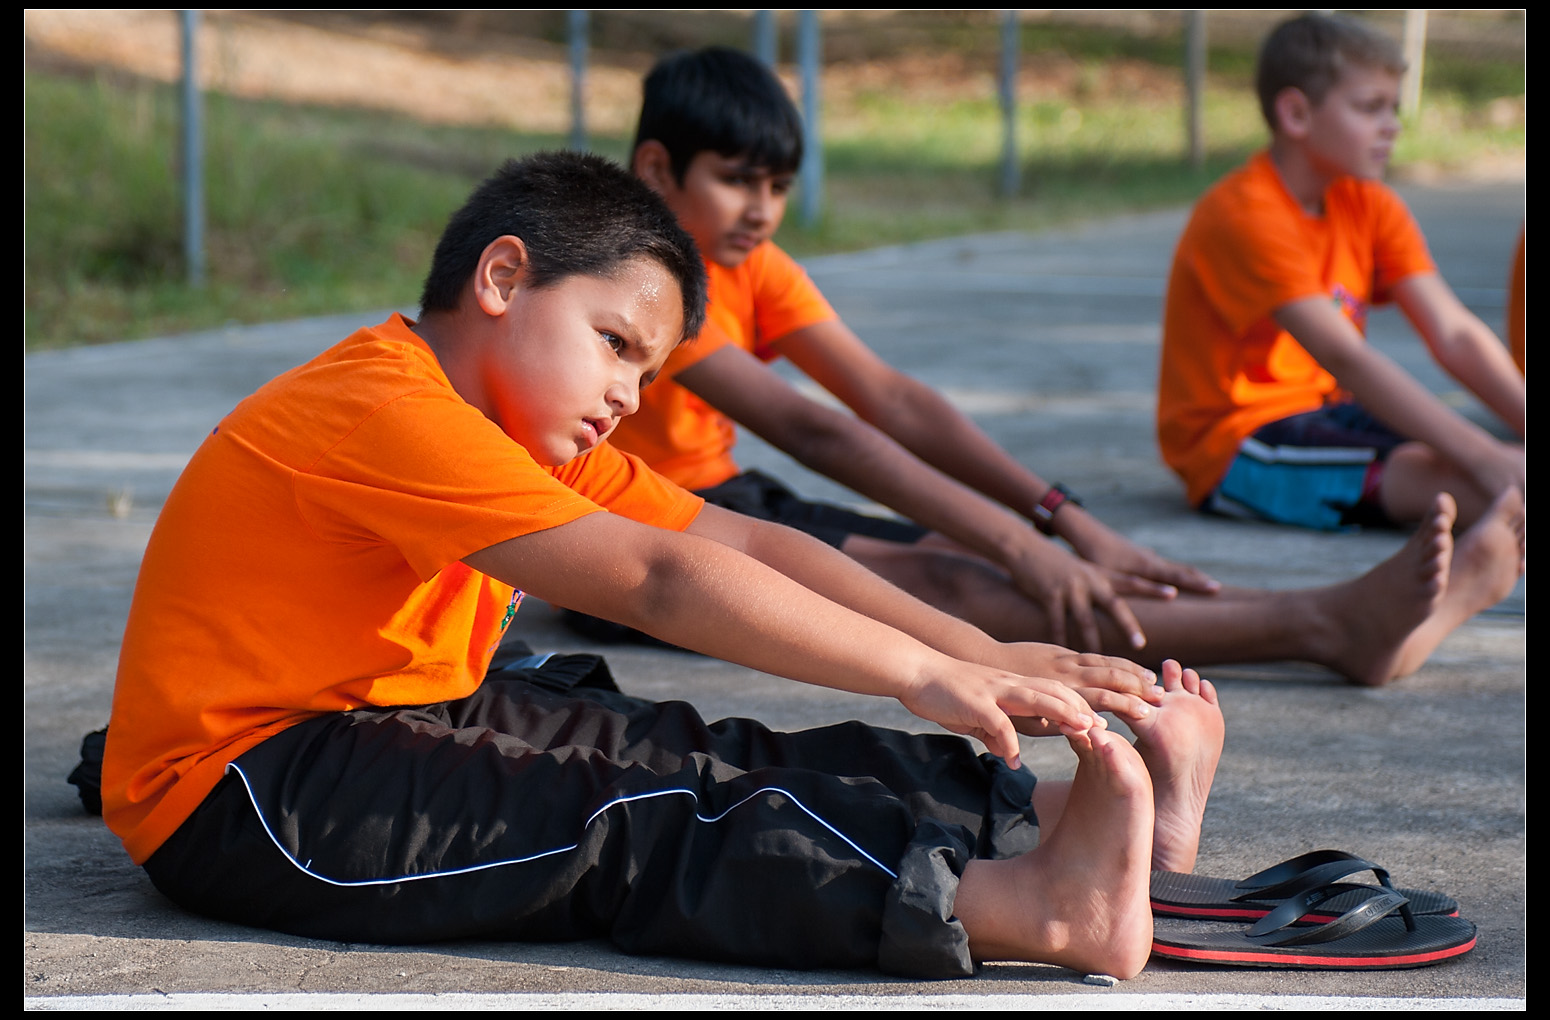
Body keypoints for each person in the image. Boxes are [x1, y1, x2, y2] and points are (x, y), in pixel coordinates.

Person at [100, 152, 1224, 980]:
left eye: (648, 371)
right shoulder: (383, 409)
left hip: (392, 715)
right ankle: (1027, 907)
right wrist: (919, 672)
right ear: (503, 277)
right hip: (247, 793)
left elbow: (742, 541)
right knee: (634, 815)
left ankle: (1060, 817)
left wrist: (977, 650)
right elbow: (658, 581)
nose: (628, 397)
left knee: (684, 744)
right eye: (615, 344)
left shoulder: (519, 430)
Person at [607, 46, 1521, 685]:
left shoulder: (747, 263)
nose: (762, 210)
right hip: (629, 538)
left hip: (723, 497)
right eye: (737, 180)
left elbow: (892, 400)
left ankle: (1340, 615)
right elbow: (817, 430)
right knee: (958, 586)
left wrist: (1062, 520)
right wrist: (1024, 546)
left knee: (973, 557)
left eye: (777, 187)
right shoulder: (640, 276)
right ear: (656, 169)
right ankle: (1320, 627)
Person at [1157, 13, 1525, 538]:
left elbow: (1454, 333)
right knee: (1465, 479)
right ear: (1296, 114)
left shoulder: (1368, 203)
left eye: (1393, 108)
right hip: (1239, 443)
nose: (1392, 126)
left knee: (1494, 465)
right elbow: (1344, 356)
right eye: (1370, 107)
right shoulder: (1245, 213)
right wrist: (1484, 456)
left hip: (1333, 413)